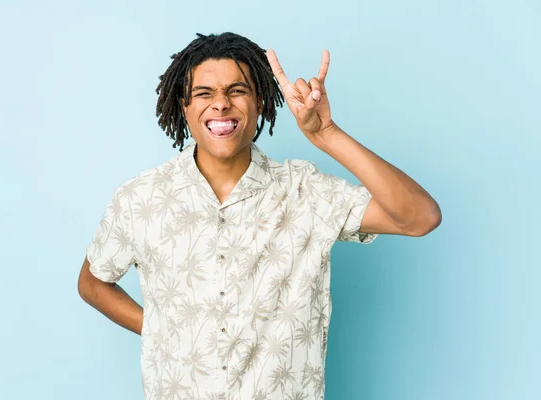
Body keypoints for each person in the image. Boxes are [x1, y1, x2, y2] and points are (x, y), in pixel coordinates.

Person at [77, 32, 441, 400]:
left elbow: (419, 217)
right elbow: (93, 284)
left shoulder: (306, 193)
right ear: (183, 105)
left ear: (261, 101)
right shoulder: (141, 197)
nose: (220, 104)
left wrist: (326, 134)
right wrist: (161, 329)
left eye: (237, 90)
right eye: (204, 93)